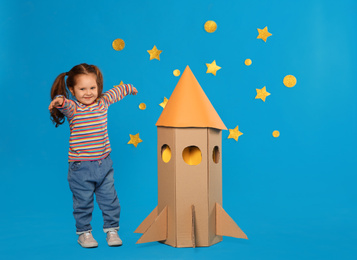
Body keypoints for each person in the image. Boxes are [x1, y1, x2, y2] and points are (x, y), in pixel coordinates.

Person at [48, 63, 137, 248]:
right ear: (72, 89)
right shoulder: (74, 108)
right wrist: (58, 100)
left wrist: (129, 88)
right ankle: (84, 233)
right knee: (83, 202)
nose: (88, 93)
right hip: (81, 167)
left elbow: (117, 91)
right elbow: (64, 102)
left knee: (110, 199)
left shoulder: (102, 102)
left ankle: (112, 230)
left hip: (104, 164)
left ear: (98, 88)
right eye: (82, 89)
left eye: (92, 88)